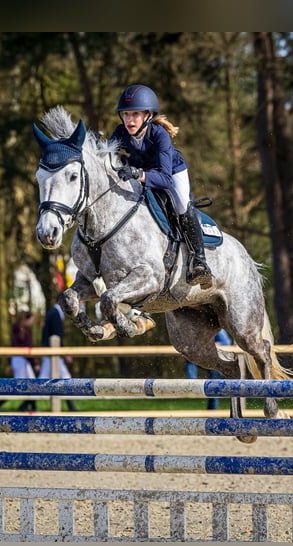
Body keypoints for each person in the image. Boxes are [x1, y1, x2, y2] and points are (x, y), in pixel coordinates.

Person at [110, 84, 211, 287]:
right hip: (143, 173)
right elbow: (106, 154)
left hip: (172, 172)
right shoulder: (120, 133)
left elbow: (165, 178)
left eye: (135, 114)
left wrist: (137, 173)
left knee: (182, 204)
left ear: (148, 115)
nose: (129, 120)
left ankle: (200, 260)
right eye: (126, 114)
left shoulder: (159, 135)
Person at [0, 307, 39, 411]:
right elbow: (28, 350)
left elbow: (12, 348)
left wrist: (10, 363)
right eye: (31, 320)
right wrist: (34, 363)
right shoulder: (25, 332)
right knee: (21, 386)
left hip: (18, 360)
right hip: (21, 360)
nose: (32, 322)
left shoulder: (17, 330)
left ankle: (28, 407)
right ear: (26, 319)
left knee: (30, 384)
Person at [39, 301, 76, 412]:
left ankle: (71, 407)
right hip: (53, 353)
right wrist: (64, 353)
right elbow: (57, 336)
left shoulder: (52, 313)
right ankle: (71, 408)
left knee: (42, 381)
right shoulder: (55, 315)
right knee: (65, 378)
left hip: (50, 352)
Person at [184, 328, 232, 410]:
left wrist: (213, 345)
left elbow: (227, 342)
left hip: (214, 361)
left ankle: (211, 411)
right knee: (188, 357)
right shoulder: (194, 329)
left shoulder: (216, 328)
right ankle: (192, 383)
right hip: (201, 357)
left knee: (214, 386)